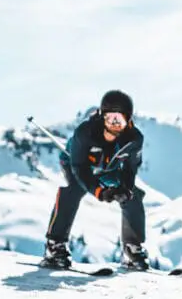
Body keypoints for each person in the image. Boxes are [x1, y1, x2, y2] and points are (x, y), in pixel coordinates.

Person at [40, 90, 148, 270]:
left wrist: (124, 189)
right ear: (101, 116)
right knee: (73, 190)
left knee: (132, 195)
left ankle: (132, 249)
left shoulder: (134, 139)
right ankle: (54, 245)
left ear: (128, 120)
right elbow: (79, 169)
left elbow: (130, 169)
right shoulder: (85, 133)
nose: (114, 124)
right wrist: (99, 191)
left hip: (108, 168)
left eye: (119, 119)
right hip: (76, 164)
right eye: (109, 118)